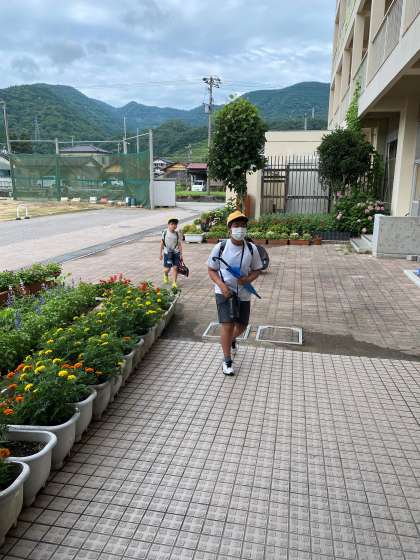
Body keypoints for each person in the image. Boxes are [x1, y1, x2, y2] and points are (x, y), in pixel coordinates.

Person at [207, 210, 263, 375]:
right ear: (229, 228)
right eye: (236, 225)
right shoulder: (221, 247)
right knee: (228, 324)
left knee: (242, 325)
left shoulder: (252, 248)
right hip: (224, 291)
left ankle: (230, 339)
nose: (240, 229)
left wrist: (248, 279)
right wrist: (221, 285)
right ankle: (227, 361)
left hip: (244, 292)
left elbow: (257, 269)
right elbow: (211, 269)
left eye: (243, 225)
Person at [160, 218, 182, 288]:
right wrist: (160, 254)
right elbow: (162, 243)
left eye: (175, 224)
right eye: (172, 224)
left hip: (176, 253)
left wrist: (181, 254)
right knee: (167, 269)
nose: (173, 226)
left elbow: (179, 244)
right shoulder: (165, 233)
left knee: (175, 268)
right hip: (167, 253)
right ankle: (165, 274)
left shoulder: (177, 234)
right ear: (168, 225)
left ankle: (174, 283)